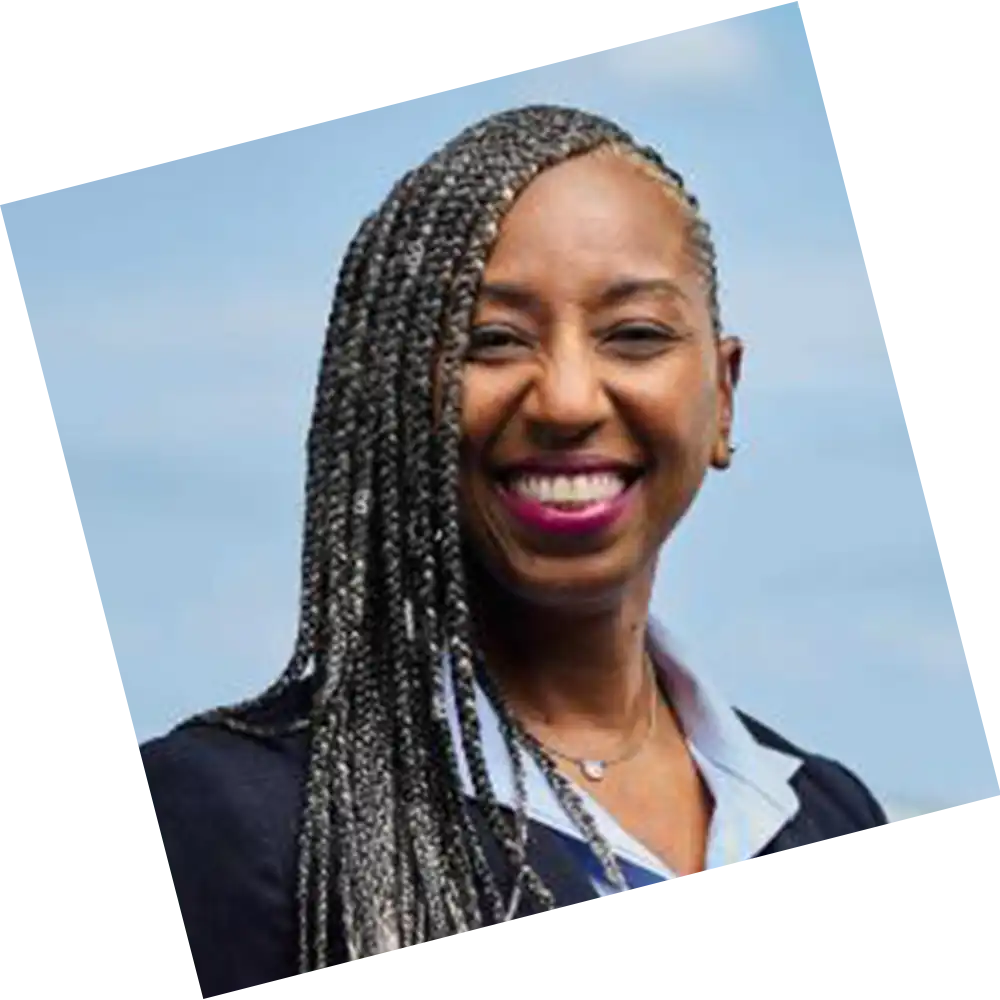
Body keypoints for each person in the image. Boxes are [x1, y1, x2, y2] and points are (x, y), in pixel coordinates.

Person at [137, 105, 888, 986]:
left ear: (723, 397)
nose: (567, 400)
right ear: (388, 399)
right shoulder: (237, 811)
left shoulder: (832, 823)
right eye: (488, 341)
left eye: (635, 335)